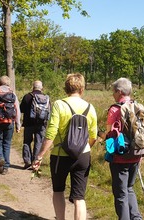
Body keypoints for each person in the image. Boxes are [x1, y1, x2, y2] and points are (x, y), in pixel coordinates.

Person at [32, 73, 98, 220]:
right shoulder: (90, 107)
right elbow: (93, 136)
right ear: (82, 89)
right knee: (79, 197)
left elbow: (51, 133)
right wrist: (83, 148)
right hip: (83, 155)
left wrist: (40, 155)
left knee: (58, 190)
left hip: (60, 155)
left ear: (66, 88)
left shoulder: (59, 105)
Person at [99, 78, 143, 220]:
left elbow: (109, 135)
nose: (113, 94)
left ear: (119, 92)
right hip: (136, 154)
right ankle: (137, 218)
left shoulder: (115, 109)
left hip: (120, 157)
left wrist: (101, 135)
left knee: (120, 194)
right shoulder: (138, 106)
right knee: (130, 189)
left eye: (113, 91)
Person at [0, 75, 21, 174]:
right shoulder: (13, 94)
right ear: (9, 84)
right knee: (7, 144)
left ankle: (0, 158)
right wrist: (18, 124)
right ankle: (6, 167)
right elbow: (17, 110)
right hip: (10, 121)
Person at [20, 80, 50, 169]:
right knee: (39, 143)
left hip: (28, 123)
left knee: (27, 142)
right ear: (42, 88)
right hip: (41, 124)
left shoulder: (27, 97)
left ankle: (27, 161)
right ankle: (35, 163)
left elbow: (21, 109)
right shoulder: (46, 98)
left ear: (33, 87)